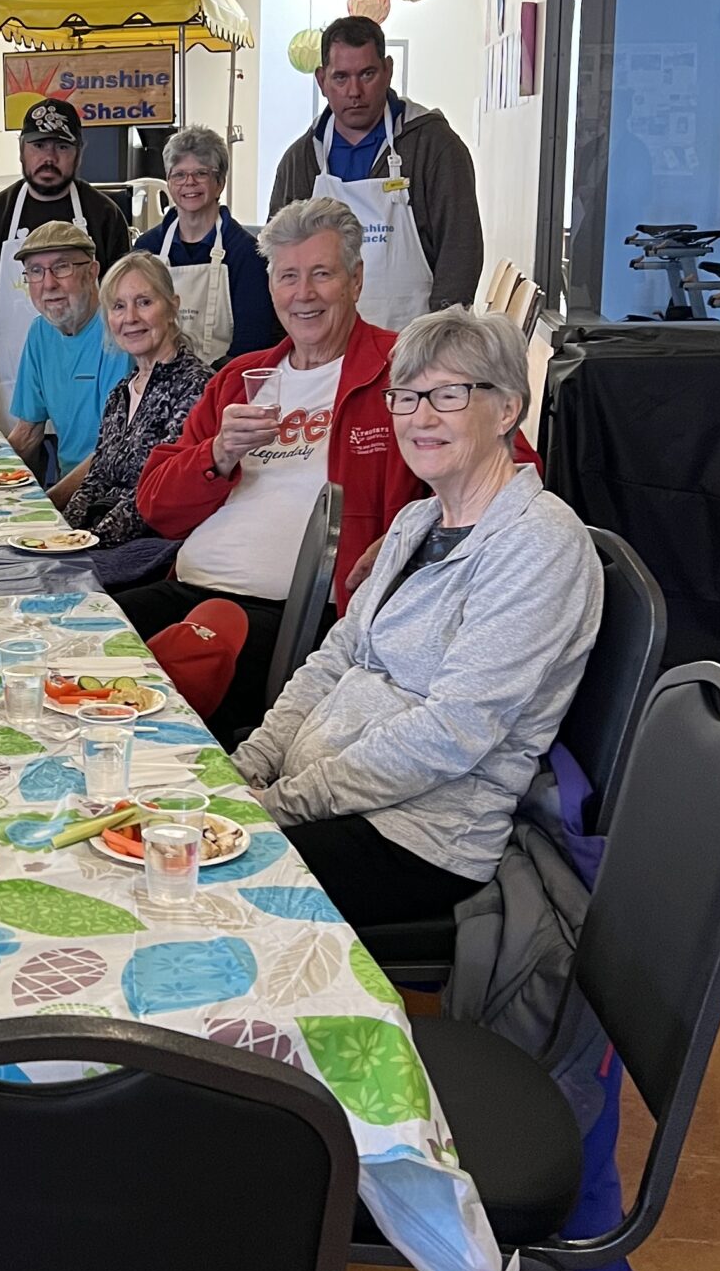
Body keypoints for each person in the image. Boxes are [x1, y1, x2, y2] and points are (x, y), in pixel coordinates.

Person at [234, 307, 602, 942]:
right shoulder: (416, 521)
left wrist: (281, 805)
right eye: (405, 396)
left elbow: (453, 732)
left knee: (199, 887)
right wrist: (251, 764)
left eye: (449, 395)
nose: (420, 417)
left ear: (507, 409)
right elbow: (336, 657)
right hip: (325, 786)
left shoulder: (538, 543)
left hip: (421, 833)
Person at [123, 200, 425, 744]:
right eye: (288, 276)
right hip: (189, 587)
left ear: (356, 280)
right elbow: (156, 506)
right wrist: (216, 454)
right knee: (79, 633)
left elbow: (505, 473)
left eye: (321, 274)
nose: (303, 294)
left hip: (298, 618)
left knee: (165, 678)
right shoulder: (239, 378)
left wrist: (411, 533)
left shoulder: (406, 368)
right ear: (271, 286)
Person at [268, 14, 482, 330]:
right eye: (341, 77)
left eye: (366, 74)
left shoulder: (434, 147)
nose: (354, 91)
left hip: (412, 341)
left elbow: (460, 252)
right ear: (322, 80)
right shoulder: (301, 160)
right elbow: (279, 258)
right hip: (324, 343)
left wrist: (439, 338)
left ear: (388, 71)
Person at [0, 95, 131, 428]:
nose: (49, 158)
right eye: (38, 146)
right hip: (11, 378)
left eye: (62, 147)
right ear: (22, 149)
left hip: (91, 378)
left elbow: (121, 303)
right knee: (15, 457)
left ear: (79, 152)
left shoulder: (104, 215)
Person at [57, 252, 210, 553]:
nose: (130, 318)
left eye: (144, 302)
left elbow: (156, 493)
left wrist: (87, 544)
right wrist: (62, 534)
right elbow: (96, 479)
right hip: (100, 542)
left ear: (172, 307)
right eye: (118, 306)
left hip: (155, 548)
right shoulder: (121, 393)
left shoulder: (195, 386)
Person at [133, 125, 273, 367]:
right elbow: (133, 325)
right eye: (179, 175)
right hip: (156, 377)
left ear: (220, 183)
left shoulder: (246, 252)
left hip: (225, 380)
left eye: (201, 173)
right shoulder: (146, 249)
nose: (189, 182)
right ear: (169, 182)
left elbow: (253, 341)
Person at [6, 223, 134, 487]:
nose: (49, 284)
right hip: (68, 485)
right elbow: (28, 432)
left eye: (62, 267)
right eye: (36, 271)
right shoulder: (40, 333)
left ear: (92, 272)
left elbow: (112, 453)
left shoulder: (119, 332)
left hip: (115, 490)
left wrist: (51, 501)